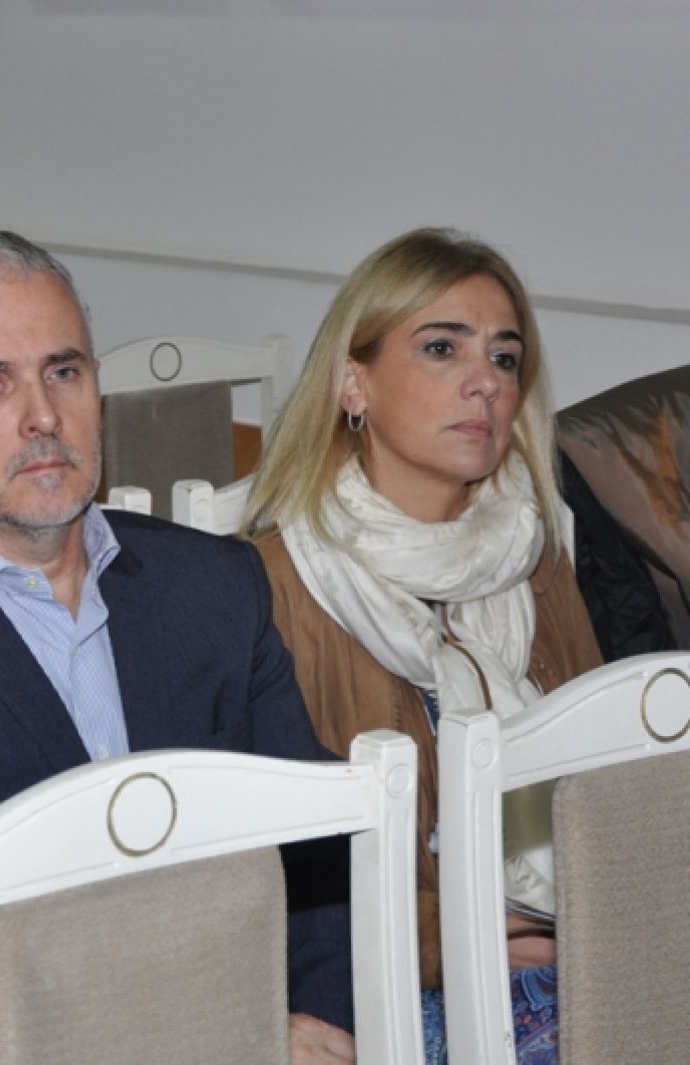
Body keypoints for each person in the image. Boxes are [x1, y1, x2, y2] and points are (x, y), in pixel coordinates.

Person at [0, 231, 357, 1065]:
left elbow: (319, 858)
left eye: (64, 371)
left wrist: (323, 1027)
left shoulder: (218, 587)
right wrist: (213, 1036)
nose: (43, 416)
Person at [242, 228, 603, 1064]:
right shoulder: (271, 585)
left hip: (572, 952)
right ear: (353, 382)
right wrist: (494, 926)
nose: (485, 382)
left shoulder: (536, 556)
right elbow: (285, 878)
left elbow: (605, 784)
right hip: (389, 992)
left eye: (505, 358)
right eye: (443, 347)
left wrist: (577, 917)